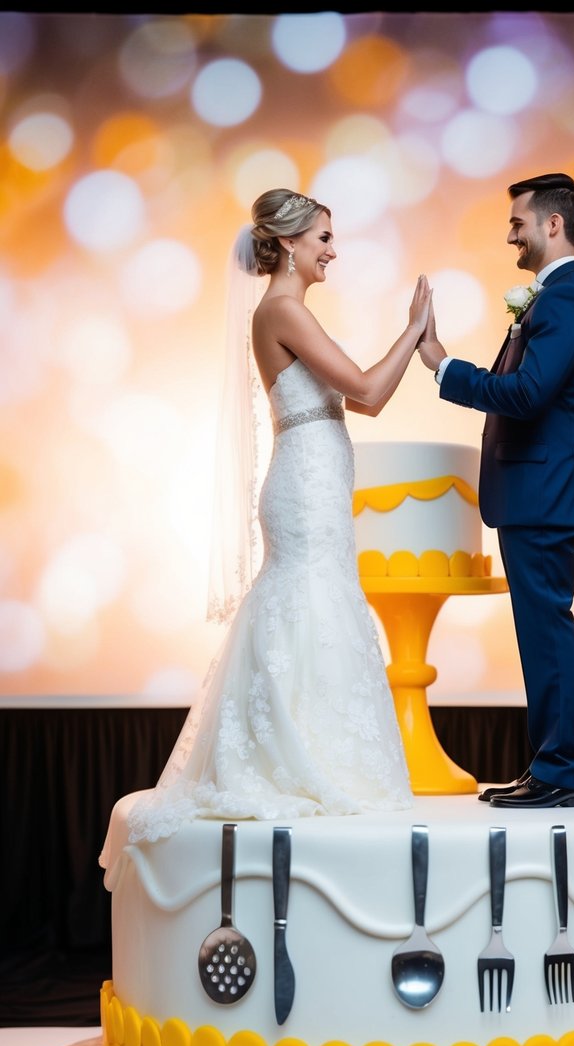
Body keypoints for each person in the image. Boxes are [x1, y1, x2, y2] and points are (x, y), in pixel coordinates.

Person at [124, 188, 432, 843]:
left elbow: (367, 405)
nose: (332, 249)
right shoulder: (284, 310)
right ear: (289, 244)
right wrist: (414, 329)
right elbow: (370, 388)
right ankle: (295, 759)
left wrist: (408, 341)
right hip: (305, 482)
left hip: (315, 474)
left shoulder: (285, 312)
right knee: (308, 598)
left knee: (317, 600)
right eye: (323, 237)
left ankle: (311, 752)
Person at [417, 172, 574, 810]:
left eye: (518, 223)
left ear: (553, 225)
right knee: (538, 632)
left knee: (546, 631)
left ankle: (560, 772)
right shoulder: (552, 299)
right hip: (536, 492)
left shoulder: (570, 300)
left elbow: (526, 395)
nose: (510, 235)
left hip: (546, 491)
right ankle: (548, 765)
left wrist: (444, 365)